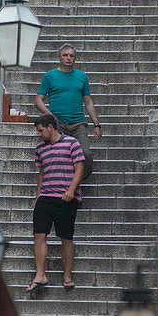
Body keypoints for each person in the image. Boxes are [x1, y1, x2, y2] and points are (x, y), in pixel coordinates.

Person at [27, 113, 85, 293]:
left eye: (40, 130)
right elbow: (41, 174)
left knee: (66, 238)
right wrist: (38, 196)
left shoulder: (72, 143)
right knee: (39, 234)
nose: (39, 134)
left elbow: (80, 168)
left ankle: (67, 276)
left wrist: (71, 191)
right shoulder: (40, 148)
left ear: (50, 127)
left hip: (65, 198)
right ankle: (40, 275)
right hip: (46, 197)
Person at [34, 43, 101, 181]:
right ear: (59, 57)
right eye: (65, 55)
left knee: (86, 154)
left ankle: (75, 182)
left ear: (75, 58)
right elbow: (38, 101)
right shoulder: (50, 76)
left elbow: (88, 101)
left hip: (78, 123)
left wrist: (96, 125)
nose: (68, 58)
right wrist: (50, 116)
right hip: (58, 124)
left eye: (72, 55)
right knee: (58, 155)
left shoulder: (82, 76)